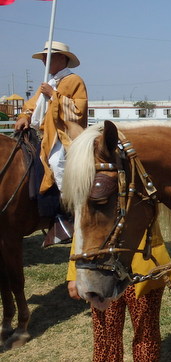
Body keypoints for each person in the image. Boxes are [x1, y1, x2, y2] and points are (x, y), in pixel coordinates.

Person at [67, 220, 171, 362]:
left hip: (143, 269)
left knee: (146, 334)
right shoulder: (95, 198)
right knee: (106, 334)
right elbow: (83, 227)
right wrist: (73, 273)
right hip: (103, 272)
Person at [14, 40, 88, 246]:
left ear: (62, 59)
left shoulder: (74, 81)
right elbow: (32, 105)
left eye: (50, 56)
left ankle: (71, 209)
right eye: (44, 57)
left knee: (57, 163)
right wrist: (25, 116)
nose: (45, 60)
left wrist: (53, 96)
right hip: (45, 135)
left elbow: (78, 110)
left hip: (65, 135)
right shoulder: (50, 82)